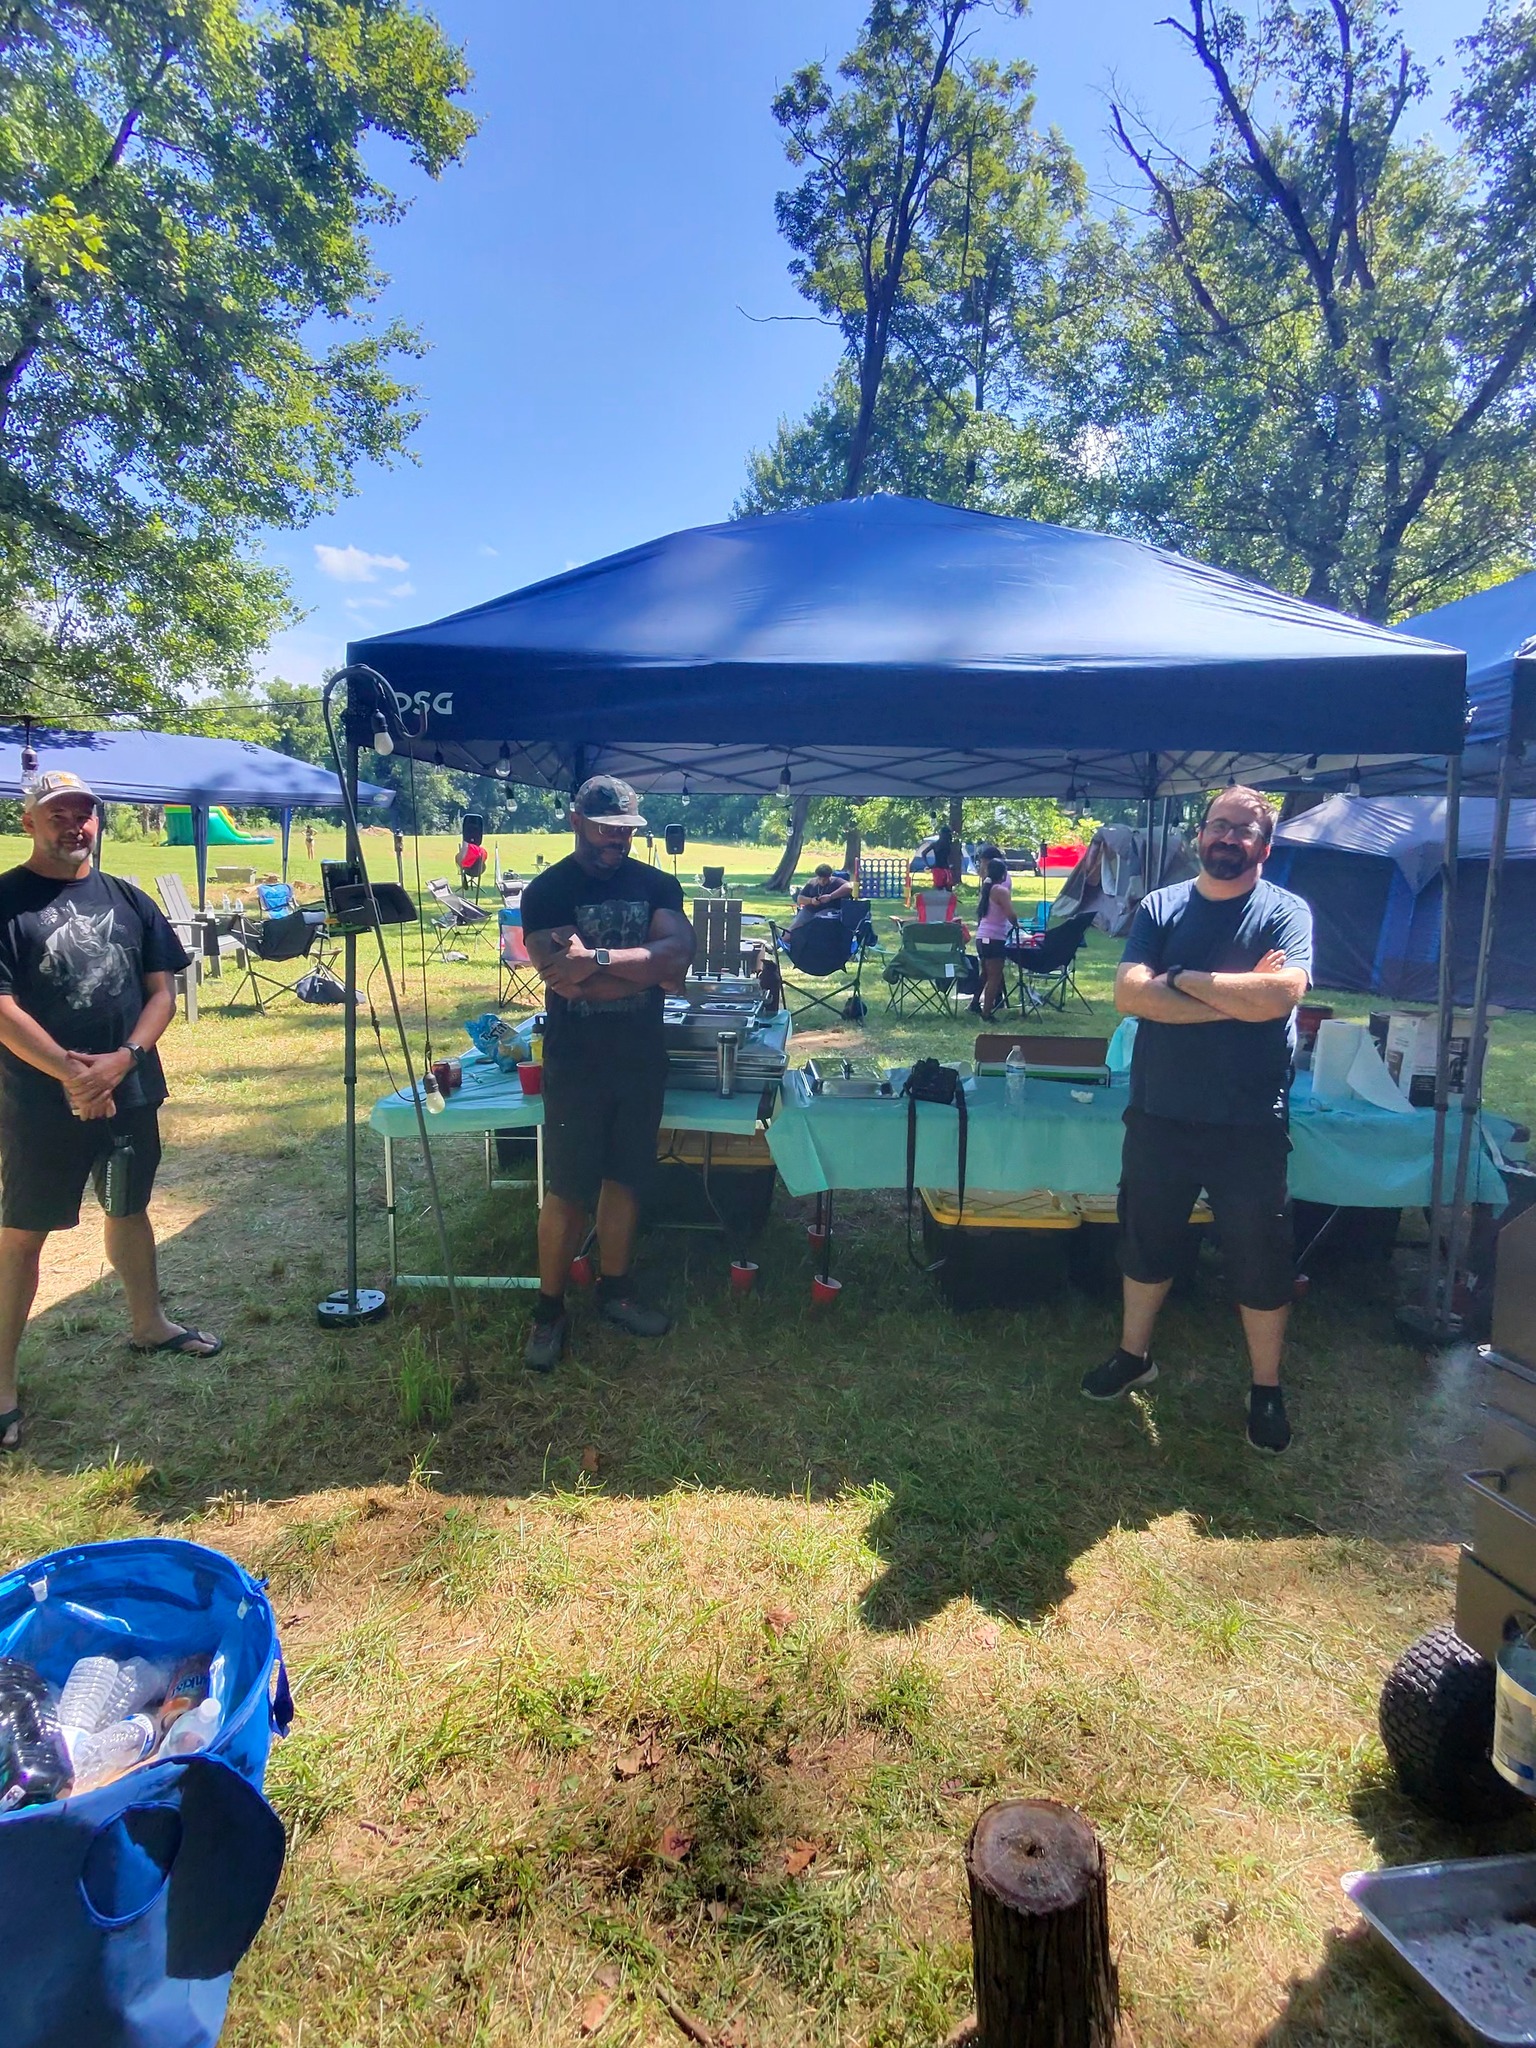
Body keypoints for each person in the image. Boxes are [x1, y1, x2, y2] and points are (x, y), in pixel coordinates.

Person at [1079, 785, 1312, 1454]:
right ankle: (1134, 1356)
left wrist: (1179, 980)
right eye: (1220, 825)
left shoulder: (1285, 910)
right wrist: (1238, 998)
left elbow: (1283, 994)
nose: (1229, 837)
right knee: (1146, 1242)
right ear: (1200, 834)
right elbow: (1130, 995)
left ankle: (1265, 1388)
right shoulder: (1161, 905)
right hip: (1161, 1114)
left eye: (1244, 830)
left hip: (1249, 1121)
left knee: (1259, 1257)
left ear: (1264, 847)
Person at [0, 773, 222, 1451]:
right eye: (58, 814)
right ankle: (1, 1383)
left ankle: (148, 1324)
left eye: (85, 813)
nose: (75, 825)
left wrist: (123, 1059)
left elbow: (162, 992)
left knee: (128, 1206)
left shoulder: (129, 898)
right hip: (40, 1103)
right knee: (22, 1233)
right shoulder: (5, 902)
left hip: (129, 1089)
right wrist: (72, 1074)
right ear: (29, 821)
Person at [518, 776, 695, 1372]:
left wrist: (596, 959)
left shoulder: (657, 884)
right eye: (604, 830)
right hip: (576, 1064)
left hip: (640, 1057)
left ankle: (615, 1291)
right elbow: (564, 981)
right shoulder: (548, 891)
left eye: (625, 831)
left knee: (625, 1179)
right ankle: (549, 1311)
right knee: (568, 1189)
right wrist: (648, 970)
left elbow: (677, 958)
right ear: (576, 822)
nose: (615, 841)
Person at [971, 857, 1015, 1021]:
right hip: (995, 938)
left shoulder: (987, 889)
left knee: (985, 973)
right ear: (1003, 874)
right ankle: (986, 1013)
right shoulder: (1001, 891)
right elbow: (1010, 914)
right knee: (994, 977)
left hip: (982, 937)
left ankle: (975, 1003)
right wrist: (1016, 924)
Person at [789, 863, 852, 929]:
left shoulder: (836, 882)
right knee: (795, 926)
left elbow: (849, 887)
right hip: (810, 910)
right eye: (819, 879)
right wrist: (811, 901)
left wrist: (830, 896)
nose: (822, 881)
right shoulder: (812, 883)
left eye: (825, 879)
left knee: (818, 921)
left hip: (829, 911)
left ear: (830, 876)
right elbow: (800, 899)